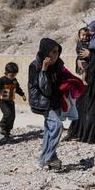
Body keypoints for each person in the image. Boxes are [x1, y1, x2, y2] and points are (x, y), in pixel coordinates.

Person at [28, 38, 64, 170]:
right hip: (42, 102)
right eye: (52, 52)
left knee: (49, 131)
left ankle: (45, 160)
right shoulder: (35, 66)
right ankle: (50, 157)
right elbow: (45, 89)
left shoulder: (58, 64)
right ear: (45, 52)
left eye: (57, 52)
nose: (55, 55)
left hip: (55, 101)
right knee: (57, 126)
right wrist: (44, 70)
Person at [0, 62, 26, 139]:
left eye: (15, 75)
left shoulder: (14, 81)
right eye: (11, 75)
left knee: (12, 117)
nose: (13, 77)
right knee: (8, 114)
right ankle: (1, 126)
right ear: (6, 73)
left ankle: (7, 133)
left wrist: (22, 94)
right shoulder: (2, 80)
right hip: (3, 101)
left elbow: (18, 89)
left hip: (11, 101)